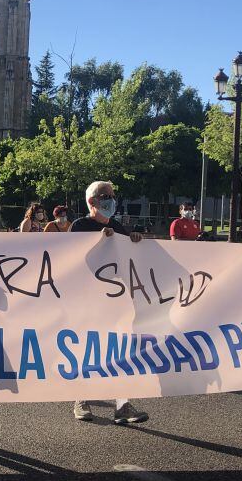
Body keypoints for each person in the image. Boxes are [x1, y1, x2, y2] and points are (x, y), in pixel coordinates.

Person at [69, 180, 149, 425]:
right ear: (92, 202)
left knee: (120, 351)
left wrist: (134, 240)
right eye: (106, 196)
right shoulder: (79, 226)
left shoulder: (118, 228)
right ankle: (81, 398)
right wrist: (98, 241)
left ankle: (122, 405)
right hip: (88, 301)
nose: (111, 200)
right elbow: (72, 258)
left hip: (116, 302)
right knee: (87, 350)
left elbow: (129, 259)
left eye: (113, 196)